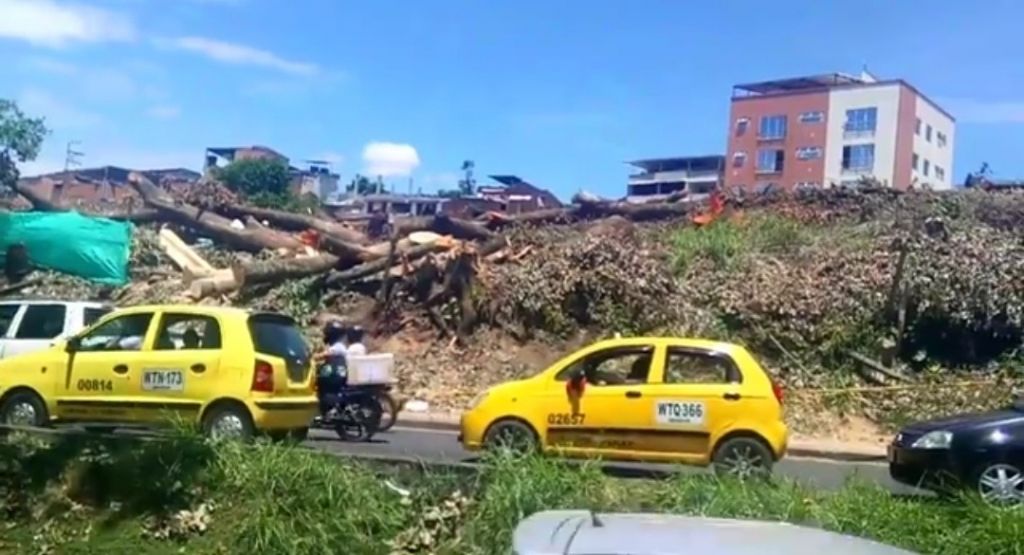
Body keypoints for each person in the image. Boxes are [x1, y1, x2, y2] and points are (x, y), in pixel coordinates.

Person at [315, 321, 349, 418]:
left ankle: (325, 409)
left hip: (336, 375)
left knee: (320, 382)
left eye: (327, 333)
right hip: (338, 374)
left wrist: (311, 357)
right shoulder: (339, 346)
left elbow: (324, 355)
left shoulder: (337, 347)